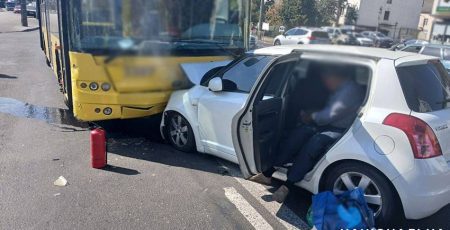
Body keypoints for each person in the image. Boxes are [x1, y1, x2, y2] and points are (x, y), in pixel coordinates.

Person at [250, 65, 366, 203]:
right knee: (297, 135)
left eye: (327, 79)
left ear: (337, 76)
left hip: (341, 129)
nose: (326, 83)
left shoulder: (350, 91)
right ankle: (268, 173)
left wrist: (310, 117)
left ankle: (287, 187)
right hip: (328, 124)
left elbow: (329, 115)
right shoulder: (341, 87)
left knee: (314, 144)